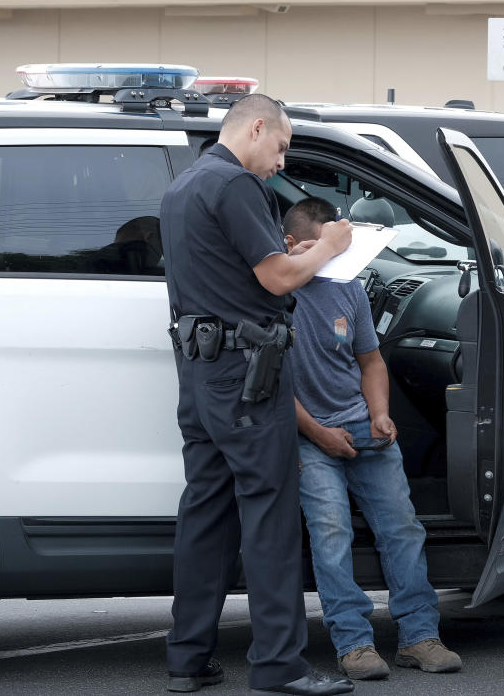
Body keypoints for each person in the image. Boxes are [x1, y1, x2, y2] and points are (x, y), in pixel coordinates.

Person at [159, 94, 355, 696]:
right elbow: (272, 279)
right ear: (258, 127)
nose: (280, 161)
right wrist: (328, 246)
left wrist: (289, 254)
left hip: (200, 376)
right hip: (248, 377)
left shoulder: (184, 187)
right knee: (268, 516)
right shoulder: (236, 184)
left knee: (205, 519)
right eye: (281, 147)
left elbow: (241, 267)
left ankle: (187, 660)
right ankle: (280, 667)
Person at [283, 197, 463, 681]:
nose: (340, 260)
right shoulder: (279, 295)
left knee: (403, 527)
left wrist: (380, 415)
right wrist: (320, 435)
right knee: (331, 531)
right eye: (331, 248)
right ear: (293, 245)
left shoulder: (351, 291)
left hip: (361, 426)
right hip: (308, 435)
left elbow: (371, 363)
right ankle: (354, 643)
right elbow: (274, 388)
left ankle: (419, 636)